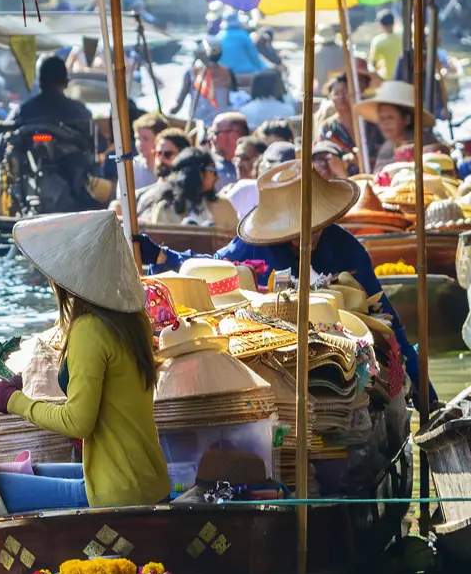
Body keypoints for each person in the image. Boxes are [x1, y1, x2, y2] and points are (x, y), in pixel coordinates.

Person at [143, 159, 420, 387]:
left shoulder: (348, 250)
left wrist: (424, 393)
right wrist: (162, 256)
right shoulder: (253, 245)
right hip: (271, 360)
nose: (301, 237)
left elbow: (388, 320)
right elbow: (214, 268)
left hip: (339, 362)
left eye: (311, 227)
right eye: (292, 229)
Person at [0, 210, 170, 508]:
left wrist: (14, 402)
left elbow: (78, 422)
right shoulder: (132, 318)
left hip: (119, 494)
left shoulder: (89, 329)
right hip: (147, 480)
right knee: (28, 473)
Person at [135, 146, 240, 233]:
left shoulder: (224, 206)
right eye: (213, 172)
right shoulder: (165, 210)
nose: (217, 177)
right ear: (198, 173)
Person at [355, 77, 434, 169]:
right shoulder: (386, 148)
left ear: (406, 119)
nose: (385, 123)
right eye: (381, 118)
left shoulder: (426, 142)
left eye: (390, 117)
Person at [207, 111, 249, 188]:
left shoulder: (253, 168)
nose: (210, 137)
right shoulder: (207, 166)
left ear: (234, 135)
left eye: (215, 132)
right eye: (210, 132)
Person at [367, 10, 404, 79]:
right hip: (402, 78)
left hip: (385, 80)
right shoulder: (402, 37)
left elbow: (372, 64)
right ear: (394, 23)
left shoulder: (378, 41)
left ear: (380, 25)